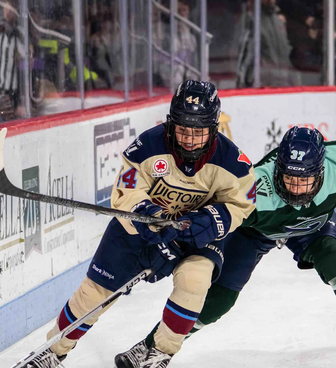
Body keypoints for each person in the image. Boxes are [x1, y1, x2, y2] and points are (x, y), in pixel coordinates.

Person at [119, 117, 336, 368]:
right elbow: (215, 216)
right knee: (221, 300)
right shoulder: (256, 190)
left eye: (304, 179)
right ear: (278, 170)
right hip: (257, 232)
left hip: (314, 228)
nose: (296, 189)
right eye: (289, 178)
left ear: (321, 171)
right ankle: (152, 348)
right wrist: (184, 232)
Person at [26, 80, 256, 368]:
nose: (189, 140)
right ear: (171, 124)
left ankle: (160, 352)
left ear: (213, 128)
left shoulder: (232, 161)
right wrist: (146, 214)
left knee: (194, 282)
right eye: (183, 130)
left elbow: (242, 204)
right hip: (140, 231)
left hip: (196, 236)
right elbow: (126, 193)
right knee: (93, 294)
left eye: (198, 133)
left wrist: (211, 221)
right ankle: (53, 350)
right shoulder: (147, 146)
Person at [236, 0, 300, 88]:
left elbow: (286, 51)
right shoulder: (251, 20)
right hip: (262, 82)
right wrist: (241, 82)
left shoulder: (279, 21)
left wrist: (292, 78)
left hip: (283, 81)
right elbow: (245, 54)